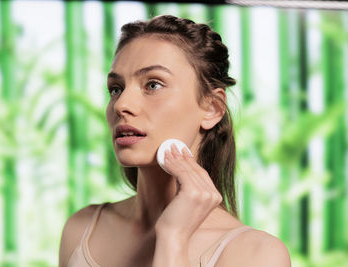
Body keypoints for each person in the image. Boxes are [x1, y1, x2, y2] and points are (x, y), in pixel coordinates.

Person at [59, 15, 291, 267]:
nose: (122, 105)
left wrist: (173, 236)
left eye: (153, 85)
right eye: (116, 88)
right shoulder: (81, 229)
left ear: (212, 108)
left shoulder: (257, 255)